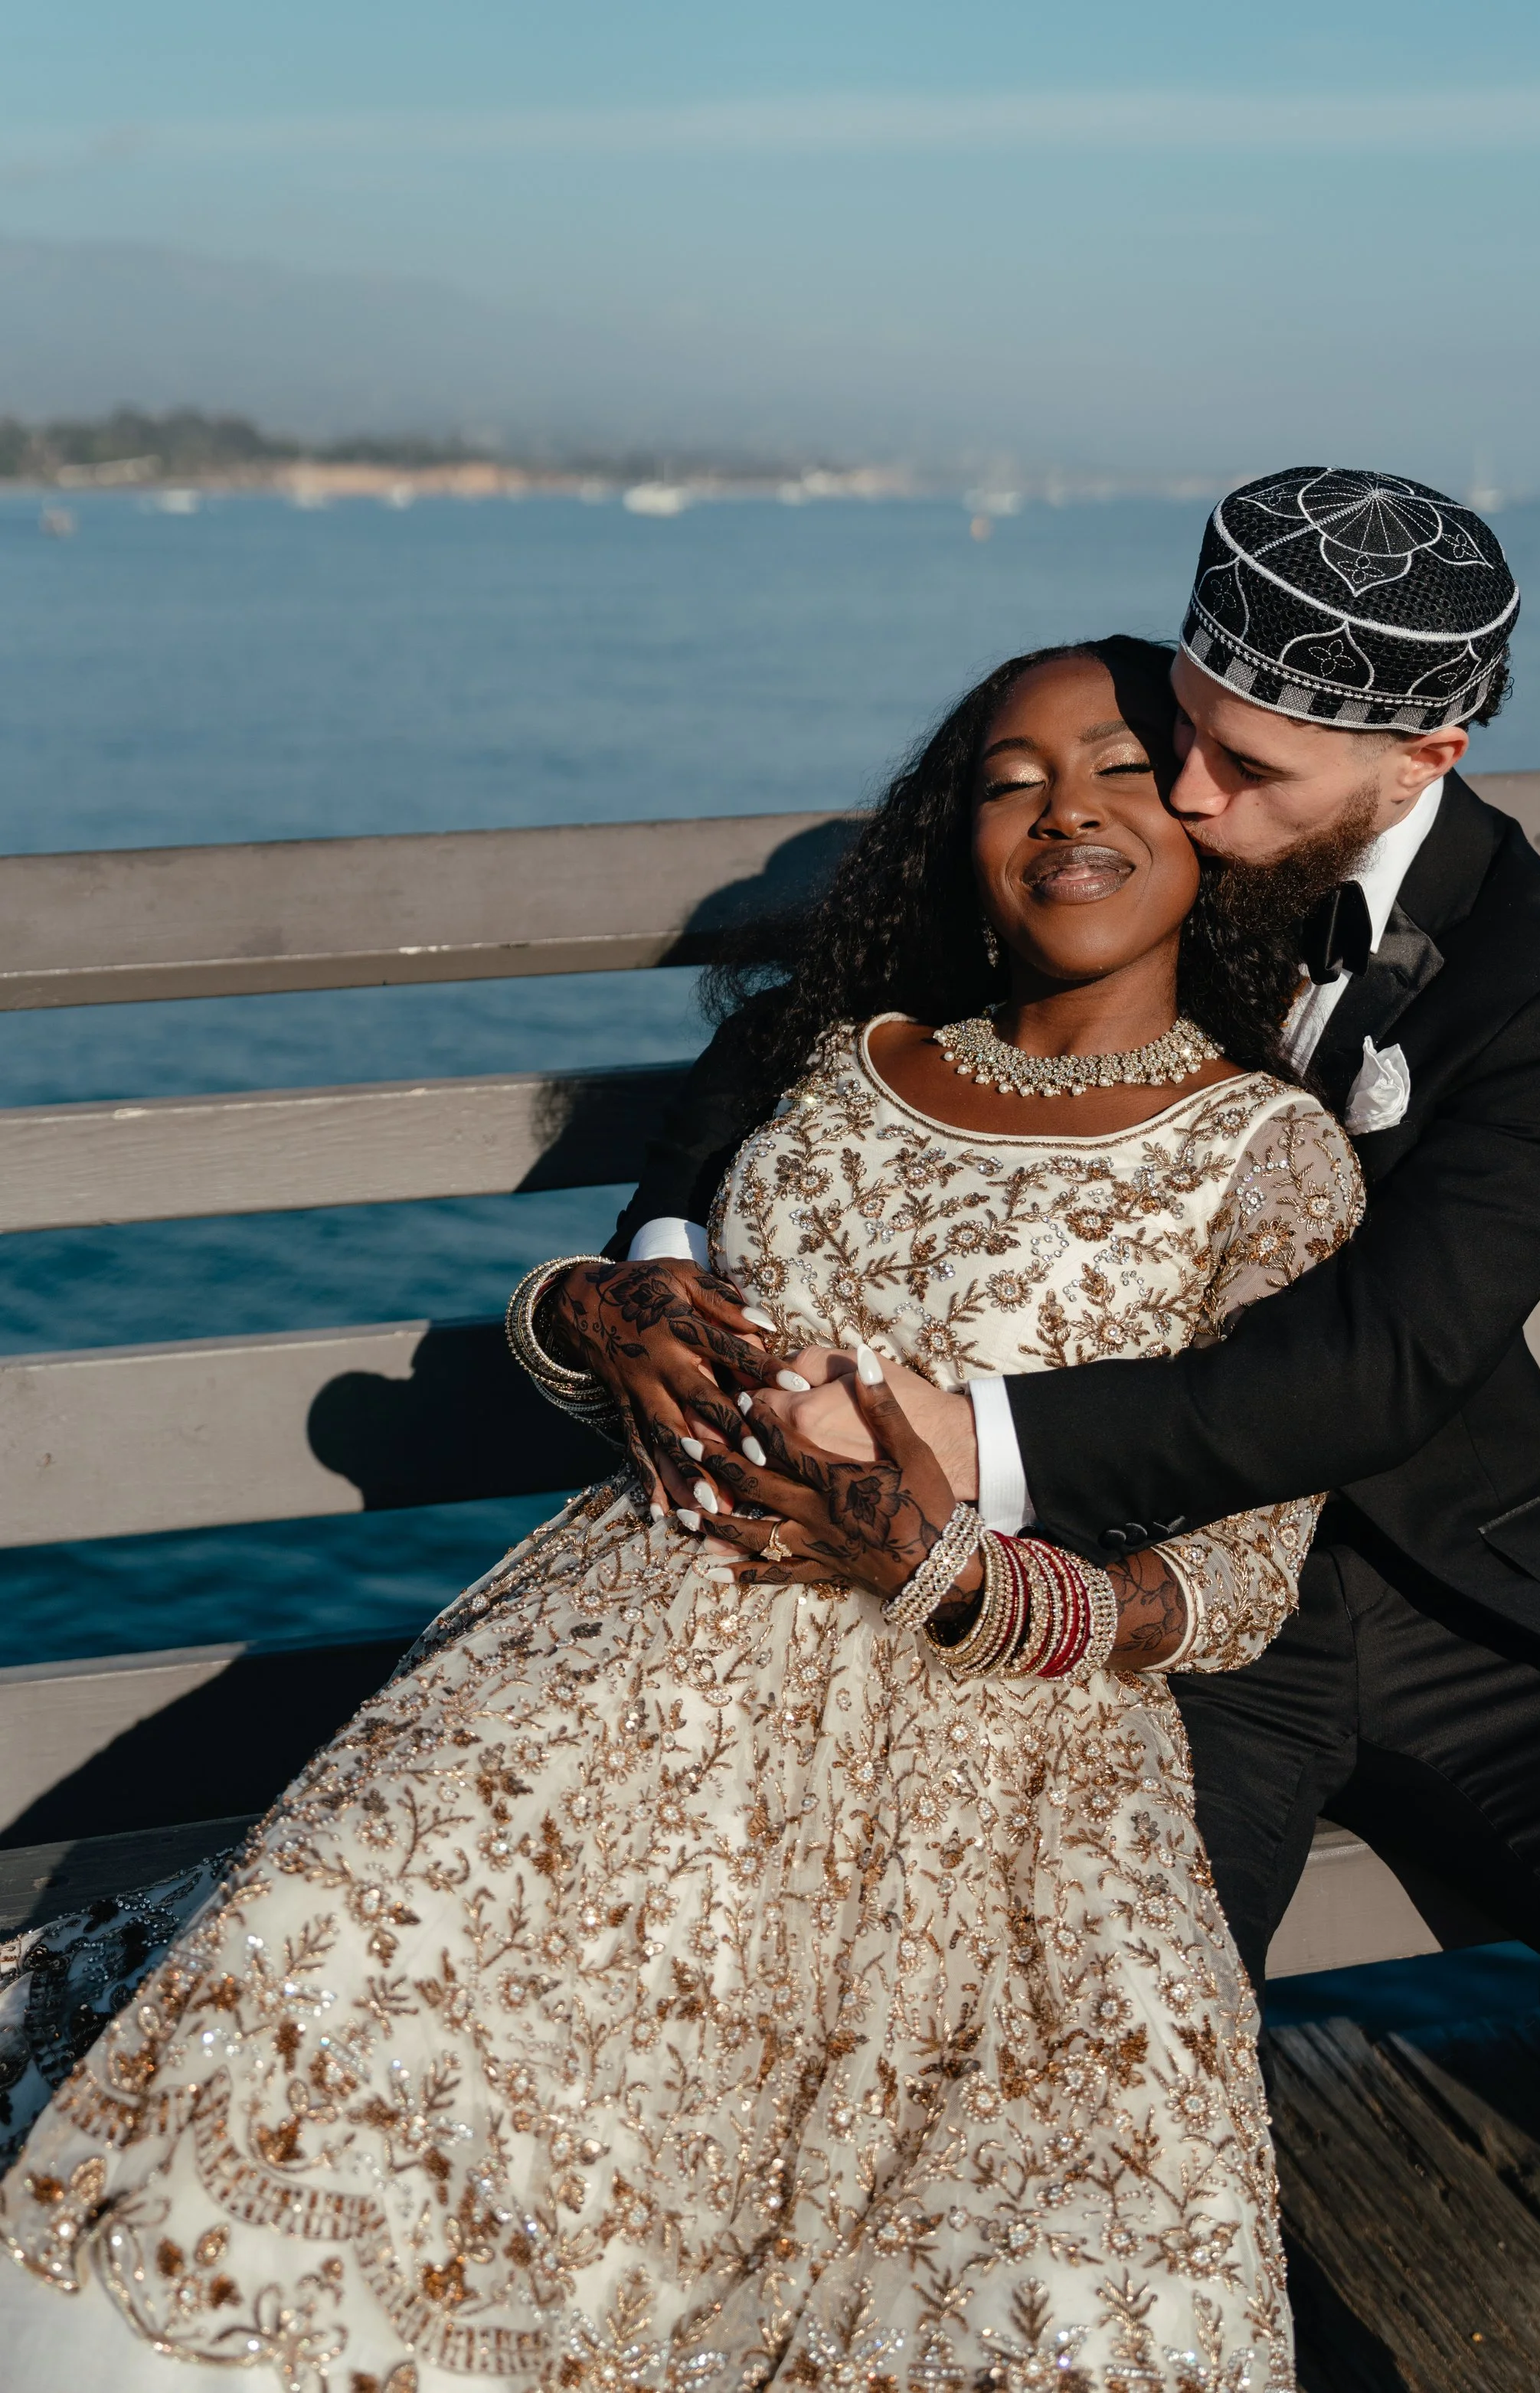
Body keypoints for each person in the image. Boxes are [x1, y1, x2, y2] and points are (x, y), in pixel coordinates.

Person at [597, 469, 1540, 2393]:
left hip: (1472, 1603)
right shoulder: (1126, 790)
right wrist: (648, 1256)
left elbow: (1389, 1361)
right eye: (1183, 748)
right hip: (1157, 1622)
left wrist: (976, 1435)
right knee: (1083, 2082)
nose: (1186, 804)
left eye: (1247, 774)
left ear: (1420, 753)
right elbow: (808, 1021)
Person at [0, 638, 1362, 2388]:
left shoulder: (1266, 1155)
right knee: (328, 1932)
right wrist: (588, 1307)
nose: (1066, 811)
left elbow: (1235, 1582)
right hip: (617, 1658)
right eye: (1012, 780)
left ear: (1200, 820)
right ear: (960, 835)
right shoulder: (847, 1063)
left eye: (1113, 767)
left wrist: (941, 1570)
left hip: (974, 1753)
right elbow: (663, 1332)